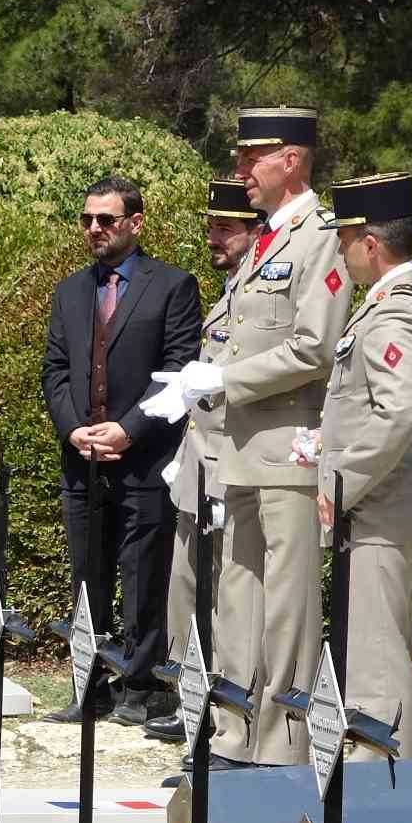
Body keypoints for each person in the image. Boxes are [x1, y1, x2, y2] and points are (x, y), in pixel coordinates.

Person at [160, 106, 353, 771]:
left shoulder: (321, 238)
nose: (240, 168)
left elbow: (314, 347)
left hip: (286, 449)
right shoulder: (269, 238)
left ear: (291, 160)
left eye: (253, 156)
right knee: (236, 601)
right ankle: (231, 735)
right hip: (241, 447)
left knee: (286, 607)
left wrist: (223, 379)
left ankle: (282, 745)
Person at [40, 175, 202, 726]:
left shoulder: (172, 286)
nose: (94, 228)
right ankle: (89, 685)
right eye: (87, 219)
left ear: (135, 222)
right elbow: (55, 369)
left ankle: (141, 685)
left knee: (142, 574)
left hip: (145, 456)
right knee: (87, 574)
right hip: (82, 458)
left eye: (105, 219)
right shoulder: (70, 291)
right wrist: (73, 429)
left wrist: (129, 429)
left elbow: (179, 369)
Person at [301, 172, 412, 760]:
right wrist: (328, 441)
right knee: (370, 651)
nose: (339, 249)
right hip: (379, 504)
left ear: (371, 243)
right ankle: (376, 777)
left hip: (379, 507)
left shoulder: (395, 312)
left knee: (377, 660)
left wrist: (341, 480)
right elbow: (371, 407)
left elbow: (398, 413)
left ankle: (383, 782)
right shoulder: (394, 301)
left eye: (344, 238)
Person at [142, 179, 264, 745]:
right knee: (186, 585)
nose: (214, 238)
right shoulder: (230, 290)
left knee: (224, 592)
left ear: (254, 233)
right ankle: (191, 698)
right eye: (211, 227)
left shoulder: (257, 296)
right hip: (198, 459)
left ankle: (223, 708)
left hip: (230, 461)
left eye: (226, 229)